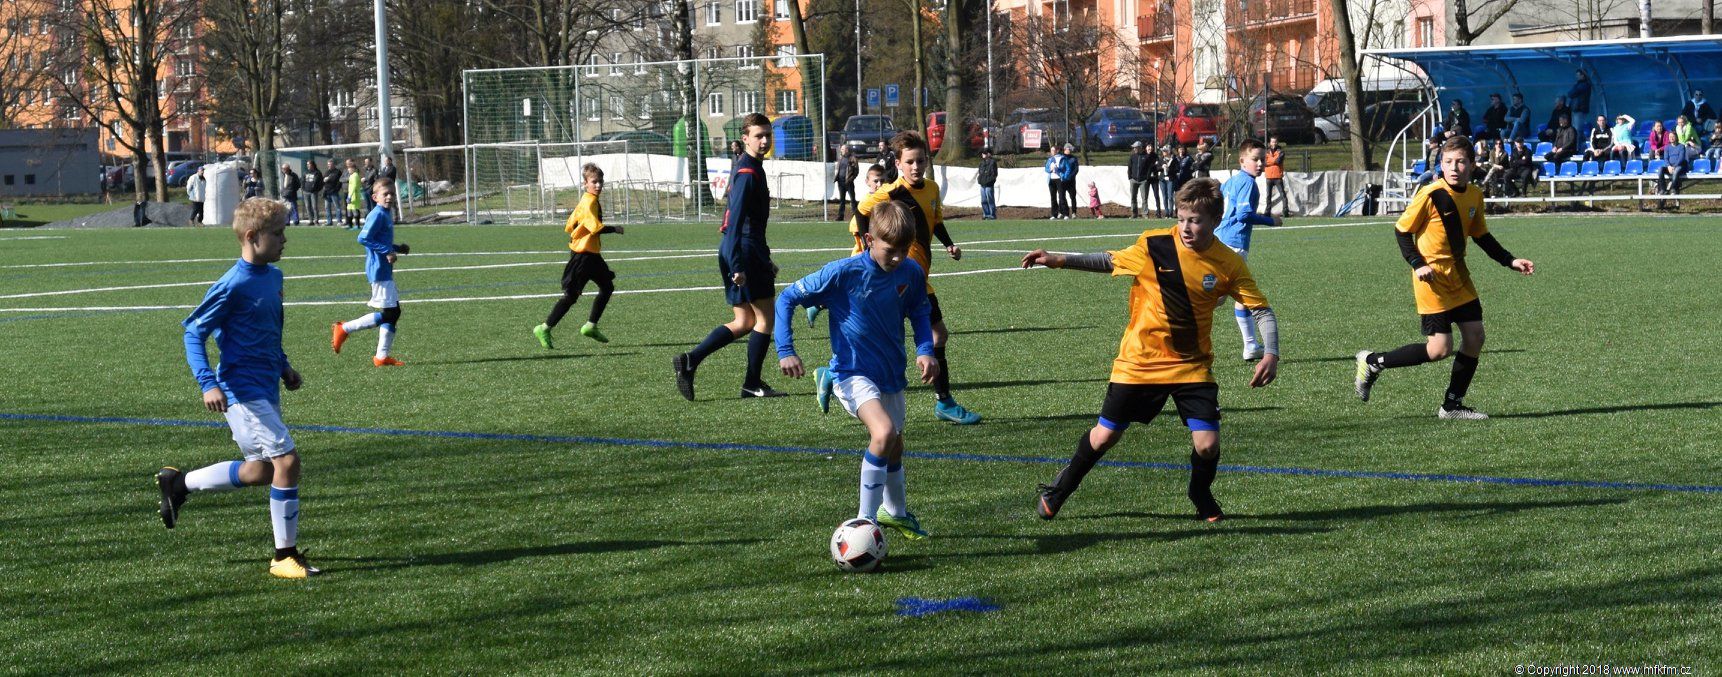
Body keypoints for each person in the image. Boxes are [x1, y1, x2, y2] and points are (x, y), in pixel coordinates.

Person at [1023, 178, 1281, 523]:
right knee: (1105, 437)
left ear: (1216, 220)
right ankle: (1061, 488)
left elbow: (1261, 310)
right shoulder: (1155, 244)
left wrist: (1271, 353)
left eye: (1195, 220)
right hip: (1140, 361)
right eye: (1181, 218)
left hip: (1191, 365)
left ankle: (1200, 493)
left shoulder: (1228, 263)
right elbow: (1109, 260)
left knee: (1207, 445)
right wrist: (1057, 259)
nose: (1186, 227)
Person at [155, 198, 316, 579]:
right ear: (252, 236)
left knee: (260, 471)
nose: (284, 240)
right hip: (241, 390)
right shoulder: (233, 284)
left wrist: (283, 365)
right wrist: (207, 383)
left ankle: (179, 484)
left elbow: (266, 331)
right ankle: (283, 556)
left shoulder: (273, 277)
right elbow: (193, 332)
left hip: (265, 386)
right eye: (278, 233)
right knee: (287, 463)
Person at [774, 201, 938, 541]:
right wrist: (786, 350)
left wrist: (925, 350)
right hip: (853, 372)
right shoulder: (843, 272)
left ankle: (895, 513)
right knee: (884, 433)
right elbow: (786, 298)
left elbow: (920, 312)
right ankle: (865, 522)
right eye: (890, 250)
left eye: (904, 249)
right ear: (868, 240)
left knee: (895, 445)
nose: (898, 257)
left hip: (891, 373)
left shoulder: (910, 272)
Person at [1354, 136, 1535, 420]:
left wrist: (1509, 260)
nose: (1454, 167)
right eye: (1448, 162)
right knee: (1439, 349)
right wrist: (1417, 264)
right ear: (1441, 164)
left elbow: (1481, 236)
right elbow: (1402, 231)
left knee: (1475, 337)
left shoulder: (1474, 195)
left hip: (1459, 276)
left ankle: (1452, 406)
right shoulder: (1431, 194)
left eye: (1461, 162)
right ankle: (1373, 361)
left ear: (1472, 164)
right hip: (1432, 280)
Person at [851, 130, 981, 425]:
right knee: (881, 338)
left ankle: (944, 402)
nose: (916, 167)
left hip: (919, 279)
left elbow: (935, 221)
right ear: (898, 164)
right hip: (896, 278)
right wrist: (868, 246)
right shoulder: (891, 192)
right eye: (909, 162)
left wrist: (948, 244)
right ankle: (944, 401)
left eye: (920, 160)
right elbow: (861, 210)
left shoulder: (932, 189)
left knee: (938, 334)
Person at [673, 113, 785, 401]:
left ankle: (690, 360)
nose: (764, 141)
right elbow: (735, 221)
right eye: (758, 136)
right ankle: (752, 383)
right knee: (765, 319)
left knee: (744, 321)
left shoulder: (748, 166)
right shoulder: (748, 172)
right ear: (745, 138)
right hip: (742, 250)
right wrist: (738, 264)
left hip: (741, 249)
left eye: (768, 135)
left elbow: (744, 222)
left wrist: (762, 258)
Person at [534, 163, 622, 348]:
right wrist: (615, 229)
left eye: (600, 181)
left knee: (607, 287)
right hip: (582, 257)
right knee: (571, 296)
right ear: (585, 183)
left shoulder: (588, 200)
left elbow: (570, 224)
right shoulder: (589, 202)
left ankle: (591, 326)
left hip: (592, 255)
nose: (598, 185)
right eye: (594, 182)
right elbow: (595, 227)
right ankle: (544, 328)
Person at [330, 179, 409, 367]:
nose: (389, 197)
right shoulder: (377, 214)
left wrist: (397, 248)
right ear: (375, 197)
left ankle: (381, 357)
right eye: (385, 194)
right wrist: (387, 251)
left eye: (391, 193)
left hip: (384, 269)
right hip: (378, 270)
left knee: (393, 312)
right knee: (391, 313)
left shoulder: (386, 213)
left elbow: (380, 239)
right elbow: (363, 238)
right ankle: (345, 328)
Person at [1217, 139, 1283, 361]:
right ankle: (1178, 326)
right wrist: (1270, 220)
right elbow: (1244, 215)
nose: (1260, 164)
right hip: (1233, 245)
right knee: (1219, 297)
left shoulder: (1232, 181)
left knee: (1239, 296)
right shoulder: (1247, 183)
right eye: (1255, 159)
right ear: (1242, 160)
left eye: (1262, 159)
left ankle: (1251, 345)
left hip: (1221, 240)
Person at [807, 163, 890, 328]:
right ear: (867, 182)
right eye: (876, 181)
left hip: (873, 254)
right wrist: (867, 247)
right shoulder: (867, 202)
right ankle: (819, 304)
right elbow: (856, 227)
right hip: (862, 255)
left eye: (882, 181)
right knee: (854, 290)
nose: (879, 184)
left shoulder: (883, 199)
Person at [1655, 140, 1694, 209]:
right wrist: (1669, 166)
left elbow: (1681, 158)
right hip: (1670, 167)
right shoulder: (1667, 147)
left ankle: (1673, 189)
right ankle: (1662, 189)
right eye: (1670, 137)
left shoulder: (1681, 146)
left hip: (1680, 166)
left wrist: (1674, 166)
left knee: (1676, 170)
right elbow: (1666, 158)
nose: (1672, 138)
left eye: (1673, 136)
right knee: (1660, 169)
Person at [1127, 141, 1153, 219]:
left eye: (1135, 147)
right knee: (1133, 197)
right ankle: (1134, 213)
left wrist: (1146, 178)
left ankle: (1145, 213)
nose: (1134, 149)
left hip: (1143, 181)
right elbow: (1129, 167)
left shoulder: (1146, 156)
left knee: (1144, 198)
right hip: (1133, 180)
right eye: (1134, 148)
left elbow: (1149, 168)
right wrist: (1130, 177)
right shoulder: (1132, 156)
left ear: (1140, 148)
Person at [1263, 137, 1287, 217]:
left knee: (1282, 194)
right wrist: (1274, 161)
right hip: (1269, 176)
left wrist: (1269, 161)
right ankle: (1267, 212)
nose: (1274, 143)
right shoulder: (1266, 152)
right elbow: (1264, 162)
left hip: (1277, 176)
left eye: (1275, 142)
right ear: (1270, 143)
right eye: (1272, 142)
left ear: (1277, 142)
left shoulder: (1281, 151)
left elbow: (1279, 161)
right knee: (1268, 196)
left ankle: (1285, 211)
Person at [834, 145, 858, 221]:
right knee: (842, 200)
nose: (841, 151)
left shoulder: (852, 158)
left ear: (847, 150)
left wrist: (851, 179)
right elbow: (838, 169)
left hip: (849, 182)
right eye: (841, 149)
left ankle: (855, 216)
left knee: (852, 199)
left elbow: (856, 171)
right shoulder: (840, 158)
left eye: (842, 149)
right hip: (840, 182)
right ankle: (840, 216)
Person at [1059, 142, 1080, 219]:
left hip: (1071, 181)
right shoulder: (1061, 158)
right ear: (1065, 149)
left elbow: (1076, 169)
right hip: (1062, 181)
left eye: (1071, 149)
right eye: (1069, 149)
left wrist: (1070, 176)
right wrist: (1062, 176)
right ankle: (1061, 212)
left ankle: (1074, 212)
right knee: (1061, 197)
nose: (1070, 150)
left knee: (1073, 197)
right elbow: (1059, 168)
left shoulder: (1074, 158)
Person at [976, 147, 998, 220]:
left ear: (989, 154)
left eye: (985, 153)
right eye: (982, 153)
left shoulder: (993, 162)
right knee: (983, 201)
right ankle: (986, 214)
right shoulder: (982, 163)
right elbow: (980, 173)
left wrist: (989, 181)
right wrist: (980, 180)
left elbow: (994, 174)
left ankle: (992, 215)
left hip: (989, 185)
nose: (983, 154)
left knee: (990, 200)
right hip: (982, 185)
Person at [1157, 144, 1178, 218]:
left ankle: (1171, 213)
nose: (1163, 152)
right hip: (1162, 179)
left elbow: (1177, 169)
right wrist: (1162, 167)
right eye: (1163, 151)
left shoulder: (1174, 159)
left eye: (1165, 151)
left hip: (1170, 179)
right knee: (1164, 196)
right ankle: (1166, 213)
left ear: (1169, 151)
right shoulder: (1161, 159)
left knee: (1170, 196)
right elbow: (1157, 168)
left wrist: (1169, 169)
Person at [1044, 145, 1064, 219]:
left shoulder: (1062, 158)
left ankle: (1061, 212)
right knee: (1053, 197)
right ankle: (1054, 214)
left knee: (1061, 196)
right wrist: (1051, 169)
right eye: (1051, 150)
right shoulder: (1050, 159)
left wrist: (1058, 169)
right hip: (1051, 179)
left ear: (1057, 150)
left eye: (1053, 150)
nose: (1051, 152)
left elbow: (1064, 168)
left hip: (1059, 179)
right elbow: (1046, 169)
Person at [321, 159, 342, 226]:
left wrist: (336, 189)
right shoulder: (326, 172)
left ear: (333, 165)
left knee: (337, 207)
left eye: (330, 164)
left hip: (334, 192)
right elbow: (323, 181)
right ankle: (329, 221)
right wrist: (324, 180)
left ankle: (339, 221)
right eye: (328, 164)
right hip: (327, 192)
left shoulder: (337, 172)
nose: (329, 166)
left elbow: (339, 182)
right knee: (327, 208)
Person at [344, 159, 364, 228]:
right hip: (350, 195)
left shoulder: (355, 175)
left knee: (355, 210)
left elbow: (354, 186)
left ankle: (357, 225)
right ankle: (350, 225)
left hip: (354, 195)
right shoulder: (351, 175)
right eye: (348, 168)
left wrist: (350, 196)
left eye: (349, 168)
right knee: (349, 210)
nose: (348, 170)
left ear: (353, 169)